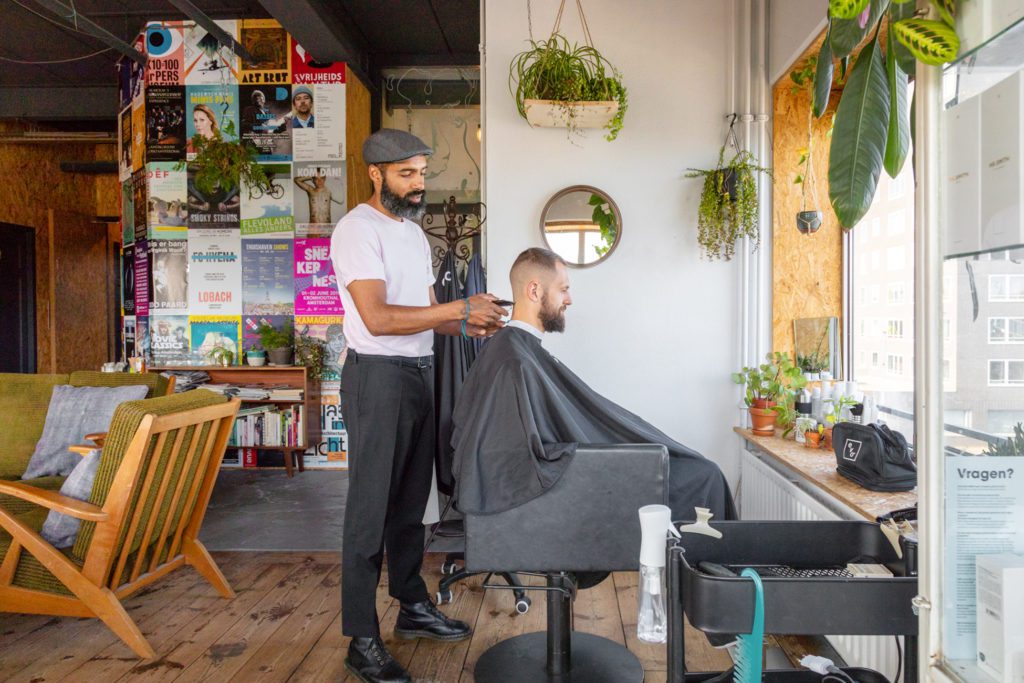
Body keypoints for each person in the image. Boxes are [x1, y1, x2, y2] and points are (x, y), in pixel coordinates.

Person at [330, 129, 506, 683]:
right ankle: (361, 638)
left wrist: (475, 322)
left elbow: (429, 313)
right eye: (406, 174)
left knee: (410, 505)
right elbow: (379, 318)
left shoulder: (412, 234)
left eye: (422, 174)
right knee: (369, 511)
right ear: (376, 174)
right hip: (376, 378)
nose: (417, 184)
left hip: (419, 373)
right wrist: (458, 308)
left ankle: (411, 605)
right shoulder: (356, 230)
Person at [452, 247, 737, 522]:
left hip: (590, 456)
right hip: (584, 469)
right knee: (703, 477)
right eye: (563, 289)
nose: (569, 300)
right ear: (535, 291)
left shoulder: (514, 351)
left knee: (698, 470)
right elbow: (513, 452)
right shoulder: (515, 360)